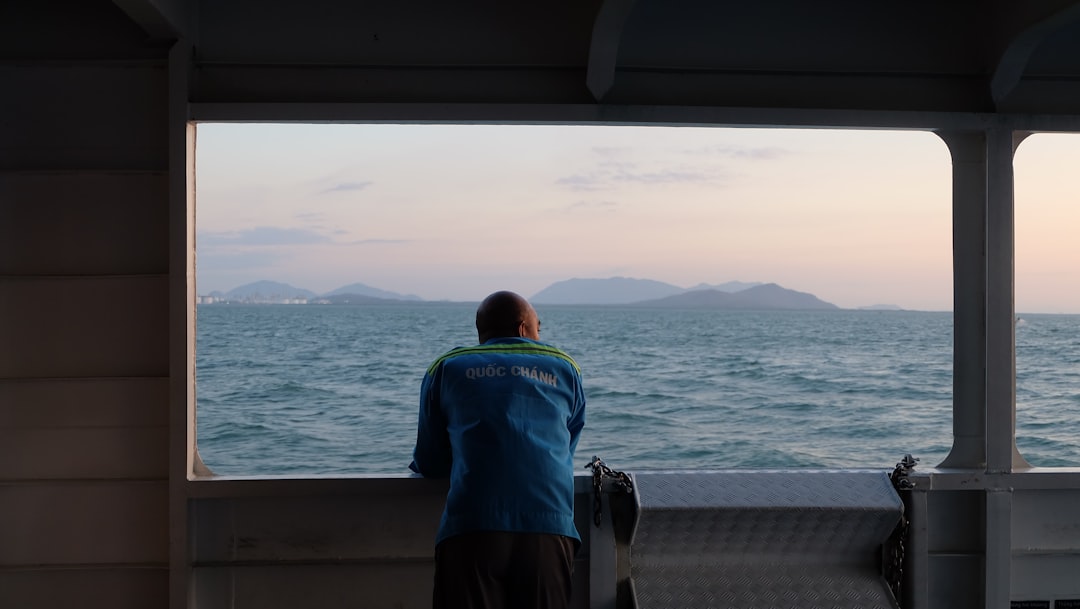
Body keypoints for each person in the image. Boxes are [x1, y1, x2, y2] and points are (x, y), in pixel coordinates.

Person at [410, 290, 586, 609]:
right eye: (538, 329)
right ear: (522, 329)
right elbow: (567, 444)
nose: (539, 337)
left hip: (471, 527)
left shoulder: (447, 367)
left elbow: (430, 461)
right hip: (549, 525)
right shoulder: (564, 366)